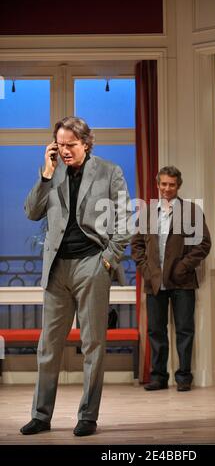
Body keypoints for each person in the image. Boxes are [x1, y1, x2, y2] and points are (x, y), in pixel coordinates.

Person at [20, 116, 131, 436]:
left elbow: (126, 220)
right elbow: (31, 211)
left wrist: (108, 260)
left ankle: (88, 416)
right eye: (60, 145)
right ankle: (41, 416)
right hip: (57, 269)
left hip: (92, 265)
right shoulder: (52, 173)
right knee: (48, 347)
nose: (65, 151)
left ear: (86, 142)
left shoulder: (110, 172)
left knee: (93, 344)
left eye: (70, 145)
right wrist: (46, 174)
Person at [131, 166, 211, 391]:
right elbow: (136, 245)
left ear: (178, 186)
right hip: (154, 282)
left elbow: (203, 243)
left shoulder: (192, 211)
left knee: (185, 330)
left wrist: (183, 267)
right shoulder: (147, 212)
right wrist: (146, 270)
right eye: (163, 184)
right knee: (156, 331)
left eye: (172, 185)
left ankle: (184, 377)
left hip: (183, 281)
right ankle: (158, 377)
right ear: (158, 184)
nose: (167, 188)